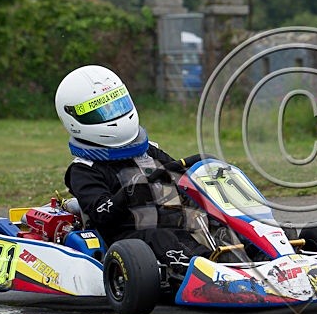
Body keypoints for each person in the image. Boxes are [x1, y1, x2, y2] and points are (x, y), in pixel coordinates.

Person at [55, 64, 210, 273]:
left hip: (175, 222)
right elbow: (101, 212)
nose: (113, 116)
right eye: (98, 111)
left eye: (116, 105)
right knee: (161, 236)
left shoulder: (148, 151)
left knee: (217, 218)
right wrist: (130, 192)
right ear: (74, 118)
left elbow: (180, 176)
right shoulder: (83, 170)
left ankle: (258, 254)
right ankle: (208, 268)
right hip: (131, 239)